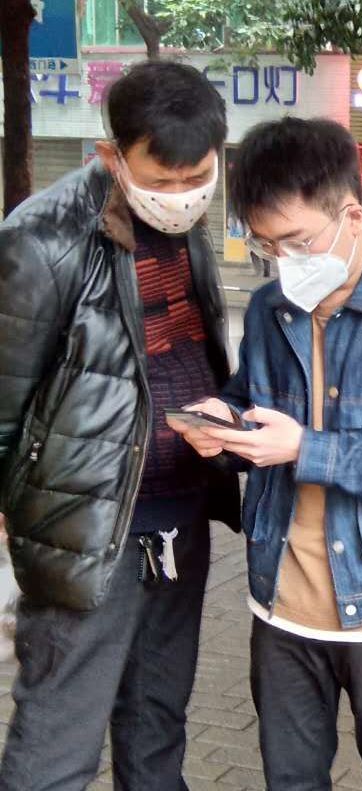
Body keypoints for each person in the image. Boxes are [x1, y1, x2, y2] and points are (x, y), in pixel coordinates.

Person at [167, 116, 362, 790]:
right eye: (265, 244)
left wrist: (305, 448)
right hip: (281, 598)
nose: (283, 261)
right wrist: (222, 426)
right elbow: (252, 402)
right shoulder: (269, 309)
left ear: (351, 214)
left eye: (297, 241)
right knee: (290, 778)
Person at [0, 61, 240, 790]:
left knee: (158, 717)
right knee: (59, 736)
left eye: (197, 176)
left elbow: (190, 347)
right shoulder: (40, 240)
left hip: (179, 519)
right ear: (111, 156)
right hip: (84, 528)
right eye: (161, 180)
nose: (181, 194)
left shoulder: (191, 226)